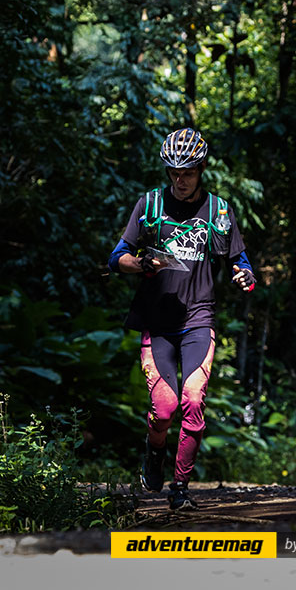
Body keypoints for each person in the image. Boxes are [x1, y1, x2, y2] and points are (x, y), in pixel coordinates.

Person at [107, 128, 256, 510]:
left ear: (201, 169)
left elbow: (239, 260)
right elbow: (117, 256)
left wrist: (245, 275)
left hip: (199, 318)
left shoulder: (219, 211)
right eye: (173, 172)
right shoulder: (150, 205)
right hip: (157, 323)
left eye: (187, 172)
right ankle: (153, 451)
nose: (180, 179)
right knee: (164, 410)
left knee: (192, 400)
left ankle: (181, 487)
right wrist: (139, 264)